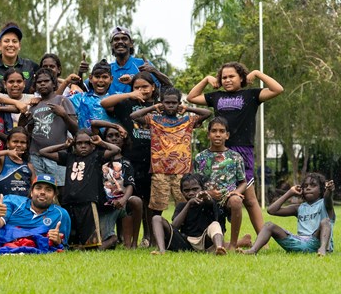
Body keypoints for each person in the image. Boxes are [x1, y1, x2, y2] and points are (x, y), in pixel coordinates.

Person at [187, 61, 284, 239]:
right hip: (219, 150)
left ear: (241, 78)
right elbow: (191, 97)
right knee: (217, 196)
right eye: (224, 77)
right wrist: (207, 79)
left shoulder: (251, 95)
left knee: (249, 198)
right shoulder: (216, 96)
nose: (227, 80)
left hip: (242, 150)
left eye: (232, 76)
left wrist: (256, 73)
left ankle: (263, 240)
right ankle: (217, 236)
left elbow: (278, 89)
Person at [130, 87, 211, 215]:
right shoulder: (154, 119)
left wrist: (187, 108)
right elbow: (133, 116)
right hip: (160, 170)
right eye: (167, 102)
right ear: (162, 103)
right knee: (156, 208)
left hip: (182, 172)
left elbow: (207, 113)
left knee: (185, 206)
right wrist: (152, 108)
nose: (171, 105)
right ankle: (155, 235)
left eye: (174, 103)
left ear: (179, 104)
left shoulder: (187, 120)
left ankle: (184, 233)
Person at [101, 72, 157, 246]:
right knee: (124, 195)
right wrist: (129, 94)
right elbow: (104, 103)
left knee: (148, 199)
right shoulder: (126, 104)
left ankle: (148, 236)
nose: (141, 90)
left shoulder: (157, 105)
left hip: (152, 158)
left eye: (145, 87)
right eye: (137, 87)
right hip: (129, 158)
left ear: (153, 88)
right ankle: (124, 238)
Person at [39, 129, 120, 248]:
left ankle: (109, 242)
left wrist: (100, 142)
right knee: (72, 240)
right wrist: (65, 145)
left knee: (90, 241)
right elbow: (43, 152)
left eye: (87, 143)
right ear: (74, 145)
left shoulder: (96, 156)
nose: (83, 146)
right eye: (79, 143)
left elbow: (116, 150)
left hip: (88, 201)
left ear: (92, 145)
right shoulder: (69, 157)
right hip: (69, 201)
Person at [241, 173, 336, 256]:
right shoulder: (299, 208)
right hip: (300, 242)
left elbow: (328, 197)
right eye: (305, 185)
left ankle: (323, 249)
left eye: (313, 185)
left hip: (317, 241)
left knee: (325, 221)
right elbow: (271, 210)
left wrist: (329, 190)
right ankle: (253, 250)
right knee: (269, 225)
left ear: (321, 190)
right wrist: (290, 192)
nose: (308, 187)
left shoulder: (325, 204)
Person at [194, 117, 248, 250]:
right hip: (207, 200)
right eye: (214, 131)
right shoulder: (200, 158)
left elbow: (243, 183)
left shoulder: (235, 157)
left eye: (222, 131)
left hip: (227, 199)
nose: (218, 134)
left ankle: (234, 245)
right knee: (210, 245)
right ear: (208, 134)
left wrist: (236, 192)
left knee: (236, 201)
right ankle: (244, 241)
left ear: (227, 135)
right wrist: (208, 193)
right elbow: (195, 184)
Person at [21, 68, 78, 190]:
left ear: (54, 84)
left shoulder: (62, 100)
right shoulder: (34, 105)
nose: (42, 83)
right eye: (39, 82)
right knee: (39, 190)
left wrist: (63, 115)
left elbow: (75, 130)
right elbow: (25, 129)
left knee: (59, 190)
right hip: (35, 155)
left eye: (46, 81)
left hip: (56, 156)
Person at [151, 173, 227, 255]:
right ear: (182, 192)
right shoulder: (181, 206)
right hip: (186, 243)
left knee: (215, 224)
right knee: (156, 218)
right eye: (186, 190)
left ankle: (219, 248)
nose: (191, 193)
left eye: (195, 189)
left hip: (205, 241)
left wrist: (206, 197)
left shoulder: (208, 202)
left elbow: (210, 203)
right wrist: (188, 205)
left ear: (202, 189)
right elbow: (175, 226)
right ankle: (161, 250)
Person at [99, 126, 143, 250]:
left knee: (135, 201)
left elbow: (130, 185)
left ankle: (131, 243)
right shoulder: (100, 160)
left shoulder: (126, 163)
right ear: (104, 139)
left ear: (123, 140)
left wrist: (123, 199)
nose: (114, 138)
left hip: (122, 201)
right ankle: (113, 238)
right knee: (105, 241)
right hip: (105, 203)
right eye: (110, 136)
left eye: (117, 136)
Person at [0, 22, 40, 93]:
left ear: (19, 46)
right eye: (6, 41)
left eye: (14, 41)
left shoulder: (30, 65)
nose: (10, 44)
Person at [107, 27, 171, 94]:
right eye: (116, 39)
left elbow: (168, 86)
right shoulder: (107, 69)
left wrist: (154, 71)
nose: (120, 42)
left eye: (124, 39)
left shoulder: (143, 65)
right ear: (111, 44)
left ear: (131, 43)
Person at [0, 127, 35, 198]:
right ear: (8, 143)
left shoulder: (29, 166)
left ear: (27, 145)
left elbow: (35, 187)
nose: (19, 145)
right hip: (6, 204)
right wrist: (7, 152)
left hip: (24, 204)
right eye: (15, 141)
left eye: (23, 142)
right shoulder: (2, 160)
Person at [70, 60, 121, 133]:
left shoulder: (118, 98)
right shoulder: (79, 98)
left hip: (112, 142)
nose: (100, 80)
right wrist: (66, 82)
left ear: (111, 79)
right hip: (86, 142)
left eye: (105, 77)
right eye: (97, 77)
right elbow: (56, 100)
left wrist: (131, 82)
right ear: (90, 78)